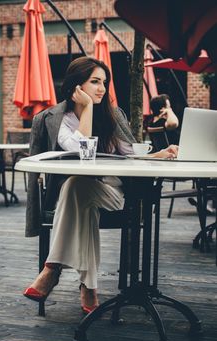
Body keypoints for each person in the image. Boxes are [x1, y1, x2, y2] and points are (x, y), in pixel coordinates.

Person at [23, 57, 178, 314]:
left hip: (113, 193)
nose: (102, 88)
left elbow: (130, 155)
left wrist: (158, 155)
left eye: (104, 82)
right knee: (78, 190)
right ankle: (89, 286)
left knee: (75, 188)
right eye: (95, 82)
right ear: (77, 85)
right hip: (77, 197)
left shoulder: (113, 116)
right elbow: (81, 150)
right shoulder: (61, 120)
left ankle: (51, 269)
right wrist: (87, 109)